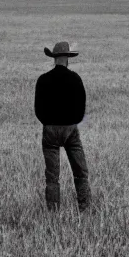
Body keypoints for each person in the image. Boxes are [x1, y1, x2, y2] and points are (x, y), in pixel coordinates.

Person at [35, 41, 91, 212]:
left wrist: (48, 122)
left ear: (54, 58)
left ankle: (53, 213)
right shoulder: (75, 78)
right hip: (70, 129)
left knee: (52, 177)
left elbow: (38, 109)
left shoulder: (43, 79)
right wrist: (73, 122)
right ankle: (85, 208)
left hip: (50, 129)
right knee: (80, 172)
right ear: (68, 58)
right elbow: (82, 106)